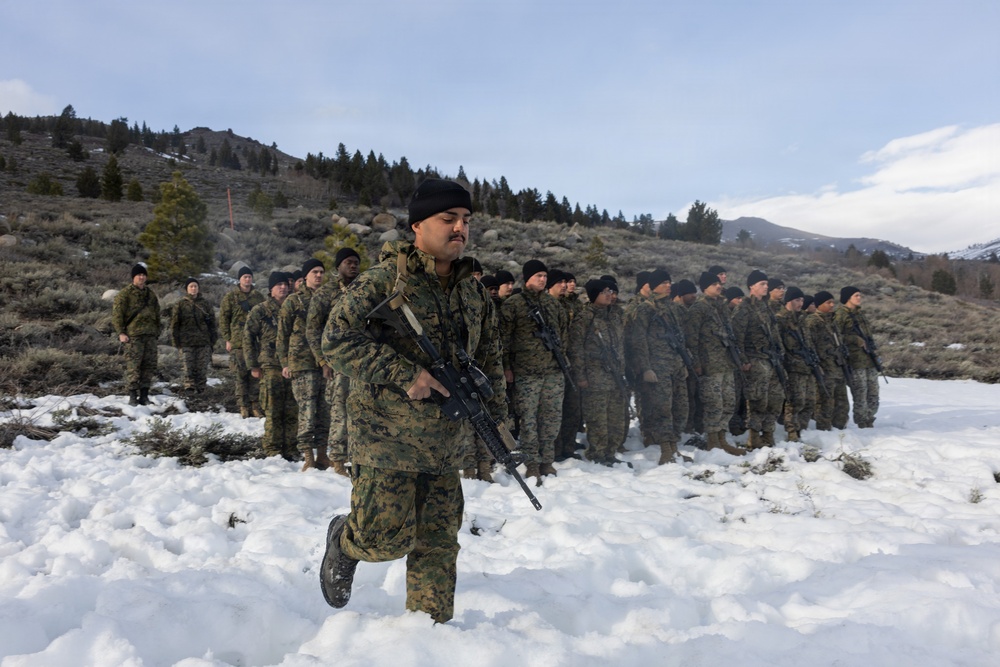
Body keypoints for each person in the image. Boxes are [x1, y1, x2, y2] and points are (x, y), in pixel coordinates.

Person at [319, 178, 505, 624]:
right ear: (418, 226)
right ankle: (344, 541)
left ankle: (430, 633)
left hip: (445, 441)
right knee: (384, 540)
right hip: (387, 439)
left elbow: (490, 358)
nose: (460, 228)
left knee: (439, 543)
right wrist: (405, 374)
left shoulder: (472, 292)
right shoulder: (382, 282)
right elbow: (336, 340)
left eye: (466, 221)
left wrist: (494, 423)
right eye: (449, 219)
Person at [500, 259, 568, 479]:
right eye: (538, 275)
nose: (543, 279)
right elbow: (504, 339)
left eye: (545, 276)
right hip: (526, 373)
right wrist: (506, 368)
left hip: (552, 371)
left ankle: (547, 460)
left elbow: (562, 335)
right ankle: (532, 463)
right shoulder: (514, 304)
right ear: (527, 277)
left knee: (551, 418)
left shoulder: (553, 304)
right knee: (528, 420)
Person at [306, 247, 361, 477]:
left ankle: (359, 459)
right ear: (338, 266)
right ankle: (338, 460)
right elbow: (312, 329)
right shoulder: (325, 293)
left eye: (356, 262)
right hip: (338, 362)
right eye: (348, 262)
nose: (353, 265)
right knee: (339, 411)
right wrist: (322, 361)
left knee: (362, 410)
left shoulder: (365, 289)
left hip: (364, 360)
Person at [627, 269, 688, 463]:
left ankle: (674, 446)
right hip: (657, 366)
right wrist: (646, 367)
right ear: (654, 286)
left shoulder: (673, 308)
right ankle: (665, 449)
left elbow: (680, 337)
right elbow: (638, 341)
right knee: (663, 408)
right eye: (663, 283)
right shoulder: (645, 309)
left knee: (680, 407)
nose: (668, 285)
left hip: (675, 364)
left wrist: (684, 362)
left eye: (669, 282)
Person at [278, 258, 330, 471]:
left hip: (326, 364)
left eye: (321, 272)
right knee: (307, 412)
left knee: (325, 412)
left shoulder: (329, 298)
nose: (318, 275)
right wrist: (284, 362)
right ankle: (308, 457)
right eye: (314, 272)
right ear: (305, 276)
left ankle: (323, 455)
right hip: (302, 364)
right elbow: (282, 335)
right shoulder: (294, 301)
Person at [569, 279, 627, 464]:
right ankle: (597, 454)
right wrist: (581, 375)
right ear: (594, 295)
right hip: (595, 376)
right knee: (597, 419)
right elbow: (576, 347)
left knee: (615, 418)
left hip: (615, 376)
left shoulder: (614, 316)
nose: (609, 295)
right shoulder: (585, 317)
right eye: (604, 292)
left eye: (610, 291)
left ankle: (610, 452)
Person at [687, 272, 746, 455]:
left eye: (718, 283)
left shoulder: (721, 308)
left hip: (727, 363)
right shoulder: (699, 309)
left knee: (728, 402)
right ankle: (713, 441)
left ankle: (722, 439)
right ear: (704, 288)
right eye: (713, 284)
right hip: (710, 365)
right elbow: (691, 338)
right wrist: (696, 362)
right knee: (714, 404)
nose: (718, 286)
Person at [244, 271, 297, 459]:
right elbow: (248, 337)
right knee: (273, 408)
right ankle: (273, 448)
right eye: (278, 285)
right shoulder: (261, 310)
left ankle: (291, 446)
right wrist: (253, 365)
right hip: (270, 365)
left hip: (293, 364)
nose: (283, 287)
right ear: (271, 289)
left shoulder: (294, 307)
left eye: (285, 284)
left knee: (292, 408)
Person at [732, 270, 785, 448]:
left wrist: (780, 352)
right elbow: (737, 337)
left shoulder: (766, 307)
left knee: (776, 398)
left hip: (771, 359)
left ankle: (768, 434)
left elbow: (774, 333)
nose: (766, 287)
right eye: (762, 284)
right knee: (757, 400)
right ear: (751, 286)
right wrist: (743, 360)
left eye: (766, 284)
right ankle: (754, 436)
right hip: (755, 359)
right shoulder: (744, 308)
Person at [219, 266, 266, 418]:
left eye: (249, 277)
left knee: (256, 374)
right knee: (240, 376)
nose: (247, 279)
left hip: (255, 342)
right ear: (239, 279)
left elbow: (264, 318)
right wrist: (228, 338)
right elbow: (224, 319)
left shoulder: (258, 297)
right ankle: (243, 405)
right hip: (238, 342)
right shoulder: (231, 297)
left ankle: (255, 405)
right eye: (245, 276)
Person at [113, 263, 162, 406]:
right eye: (138, 275)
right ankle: (133, 396)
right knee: (134, 366)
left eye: (143, 275)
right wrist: (121, 333)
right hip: (133, 336)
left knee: (149, 365)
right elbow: (117, 316)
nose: (141, 277)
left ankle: (144, 396)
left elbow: (157, 314)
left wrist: (156, 331)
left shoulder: (150, 294)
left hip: (150, 335)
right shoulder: (125, 294)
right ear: (133, 277)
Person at [834, 286, 880, 428]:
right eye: (856, 295)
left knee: (873, 393)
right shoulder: (841, 315)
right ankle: (862, 422)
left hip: (868, 359)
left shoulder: (859, 314)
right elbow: (836, 336)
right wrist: (854, 339)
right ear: (848, 297)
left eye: (860, 295)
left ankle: (869, 418)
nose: (859, 298)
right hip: (854, 361)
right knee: (860, 393)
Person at [805, 290, 850, 430]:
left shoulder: (832, 322)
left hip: (838, 368)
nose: (832, 305)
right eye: (828, 302)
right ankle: (824, 432)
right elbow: (809, 346)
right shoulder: (812, 322)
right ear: (819, 305)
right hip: (824, 370)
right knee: (825, 403)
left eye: (832, 302)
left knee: (842, 404)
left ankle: (840, 430)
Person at [776, 286, 815, 441]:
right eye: (797, 300)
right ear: (789, 301)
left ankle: (802, 429)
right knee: (795, 401)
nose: (800, 303)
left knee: (809, 401)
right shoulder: (780, 320)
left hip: (806, 366)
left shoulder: (802, 320)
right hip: (792, 368)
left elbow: (808, 343)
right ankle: (792, 432)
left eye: (802, 300)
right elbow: (780, 346)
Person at [170, 277, 217, 393]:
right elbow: (175, 323)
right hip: (186, 341)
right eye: (191, 286)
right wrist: (176, 341)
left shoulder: (205, 304)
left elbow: (212, 323)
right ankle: (189, 391)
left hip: (203, 341)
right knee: (188, 369)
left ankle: (201, 390)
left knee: (202, 369)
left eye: (195, 286)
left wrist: (212, 340)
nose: (193, 288)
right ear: (187, 289)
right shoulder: (180, 304)